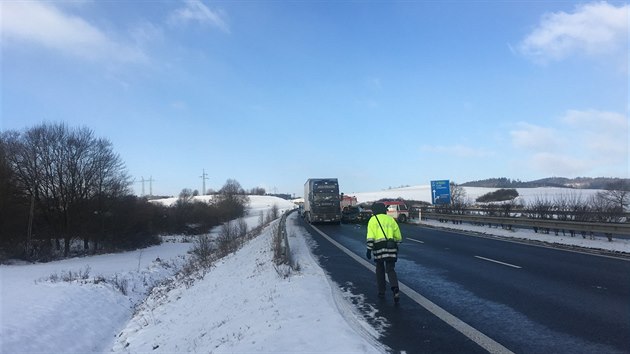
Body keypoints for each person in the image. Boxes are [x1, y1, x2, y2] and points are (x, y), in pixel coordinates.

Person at [366, 202, 402, 302]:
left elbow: (370, 236)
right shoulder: (390, 219)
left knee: (380, 270)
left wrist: (369, 249)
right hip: (391, 248)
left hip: (379, 249)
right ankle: (395, 288)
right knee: (390, 269)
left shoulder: (373, 220)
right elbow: (398, 236)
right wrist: (396, 245)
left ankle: (381, 292)